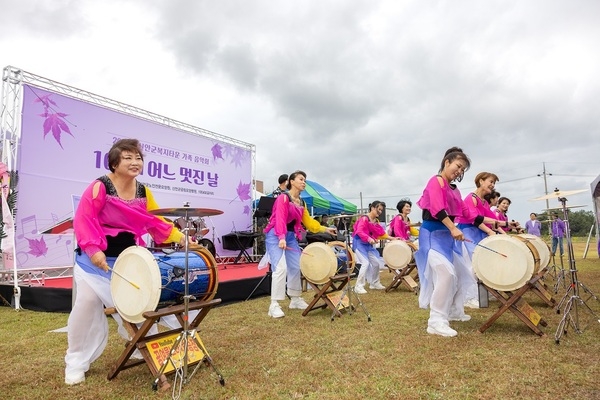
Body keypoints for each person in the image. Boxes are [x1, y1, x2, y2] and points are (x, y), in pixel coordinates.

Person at [64, 139, 194, 385]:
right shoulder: (99, 186)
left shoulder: (144, 192)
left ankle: (138, 346)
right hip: (94, 261)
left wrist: (182, 239)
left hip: (129, 260)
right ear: (114, 163)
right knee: (87, 305)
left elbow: (156, 223)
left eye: (138, 158)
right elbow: (84, 218)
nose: (135, 162)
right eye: (128, 158)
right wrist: (93, 249)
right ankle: (75, 361)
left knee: (140, 304)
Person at [414, 147, 479, 337]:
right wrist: (453, 228)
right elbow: (437, 209)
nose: (459, 172)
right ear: (447, 162)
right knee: (447, 274)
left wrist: (497, 226)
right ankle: (436, 320)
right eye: (458, 166)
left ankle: (454, 311)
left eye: (462, 170)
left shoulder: (455, 190)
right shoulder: (436, 181)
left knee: (462, 274)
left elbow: (467, 213)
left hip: (447, 239)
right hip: (432, 236)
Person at [263, 170, 337, 318]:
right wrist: (281, 237)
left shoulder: (301, 202)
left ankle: (295, 299)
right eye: (301, 179)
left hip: (289, 236)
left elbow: (308, 222)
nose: (304, 182)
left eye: (305, 180)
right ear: (291, 181)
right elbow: (280, 219)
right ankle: (274, 305)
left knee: (296, 266)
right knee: (280, 268)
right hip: (276, 235)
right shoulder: (283, 198)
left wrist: (324, 228)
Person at [455, 172, 511, 309]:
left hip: (478, 232)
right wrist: (490, 231)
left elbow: (491, 218)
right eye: (490, 182)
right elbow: (475, 219)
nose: (492, 185)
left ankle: (485, 292)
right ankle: (468, 297)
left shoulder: (483, 201)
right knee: (472, 265)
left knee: (484, 262)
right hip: (468, 232)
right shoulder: (471, 198)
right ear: (481, 181)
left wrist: (508, 225)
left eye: (494, 183)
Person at [352, 200, 399, 294]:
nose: (380, 212)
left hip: (368, 246)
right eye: (379, 209)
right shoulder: (364, 218)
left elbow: (381, 234)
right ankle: (358, 286)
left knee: (376, 263)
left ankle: (374, 283)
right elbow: (359, 231)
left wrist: (392, 238)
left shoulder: (375, 221)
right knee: (365, 263)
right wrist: (369, 239)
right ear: (373, 208)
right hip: (359, 244)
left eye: (381, 210)